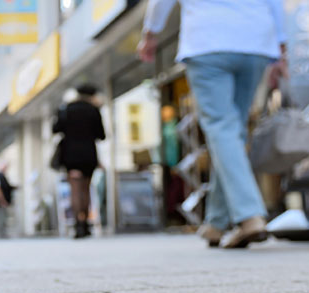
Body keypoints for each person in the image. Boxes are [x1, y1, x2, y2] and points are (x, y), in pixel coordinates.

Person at [141, 0, 286, 249]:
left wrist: (151, 33)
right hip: (255, 41)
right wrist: (281, 46)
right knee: (232, 133)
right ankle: (216, 223)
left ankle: (250, 214)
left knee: (222, 128)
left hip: (207, 41)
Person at [53, 85, 106, 239]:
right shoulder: (93, 110)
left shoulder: (66, 109)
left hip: (70, 154)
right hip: (89, 153)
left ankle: (78, 223)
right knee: (86, 189)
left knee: (75, 189)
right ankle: (86, 223)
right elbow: (101, 135)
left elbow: (56, 129)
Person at [0, 163, 15, 239]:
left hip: (3, 200)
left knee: (3, 217)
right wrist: (2, 200)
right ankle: (1, 233)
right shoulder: (0, 176)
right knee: (2, 217)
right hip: (2, 201)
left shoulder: (1, 176)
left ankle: (2, 233)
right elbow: (0, 189)